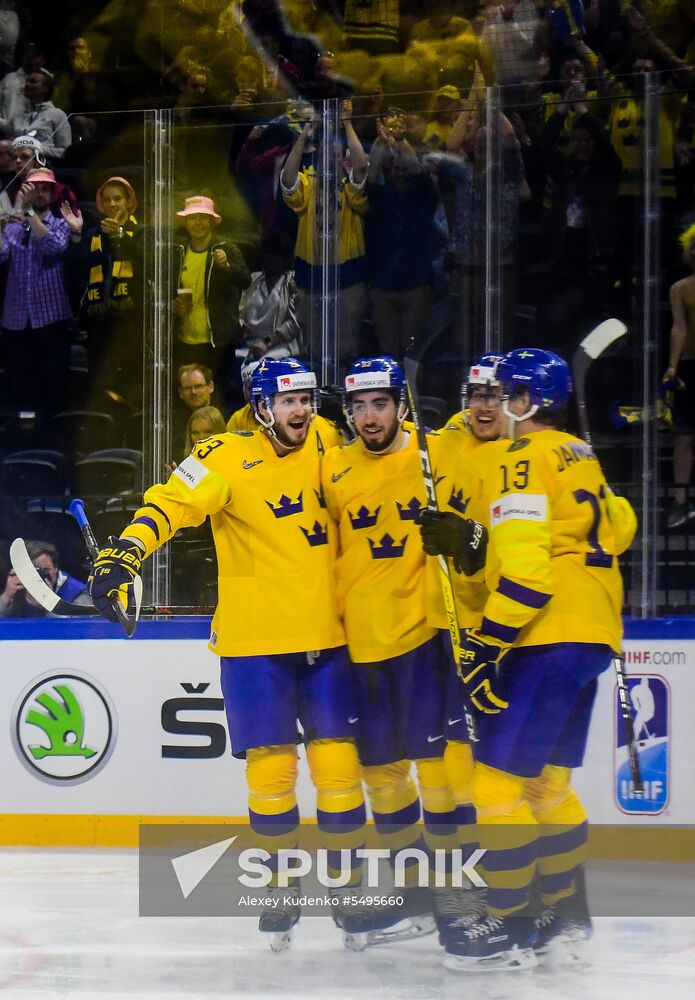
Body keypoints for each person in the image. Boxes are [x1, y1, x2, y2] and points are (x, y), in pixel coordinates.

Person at [87, 356, 366, 951]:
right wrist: (126, 553)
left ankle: (348, 889)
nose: (301, 410)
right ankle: (280, 888)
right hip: (254, 643)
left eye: (306, 399)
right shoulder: (220, 455)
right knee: (270, 773)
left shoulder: (330, 439)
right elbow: (169, 503)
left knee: (339, 769)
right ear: (262, 408)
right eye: (288, 401)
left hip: (329, 636)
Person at [435, 348, 637, 972]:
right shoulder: (578, 453)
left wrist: (486, 643)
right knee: (546, 785)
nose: (494, 405)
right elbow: (621, 528)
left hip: (546, 634)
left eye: (505, 394)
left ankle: (509, 921)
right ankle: (565, 911)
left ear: (525, 402)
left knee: (496, 785)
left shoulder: (518, 460)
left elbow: (527, 575)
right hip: (594, 630)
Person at [321, 355, 486, 945]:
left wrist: (471, 539)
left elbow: (488, 444)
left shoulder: (436, 453)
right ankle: (416, 895)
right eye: (359, 407)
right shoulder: (332, 467)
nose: (370, 417)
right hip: (358, 647)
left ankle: (460, 894)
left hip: (423, 640)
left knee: (442, 777)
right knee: (383, 778)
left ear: (400, 405)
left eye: (381, 404)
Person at [62, 175, 142, 406]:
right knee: (98, 381)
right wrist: (76, 235)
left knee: (130, 380)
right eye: (107, 200)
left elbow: (146, 264)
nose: (112, 204)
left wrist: (120, 237)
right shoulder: (93, 235)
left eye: (118, 198)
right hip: (99, 321)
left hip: (131, 320)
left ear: (129, 202)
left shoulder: (141, 232)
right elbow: (77, 272)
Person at [0, 166, 73, 416]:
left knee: (53, 390)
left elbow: (53, 247)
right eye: (35, 188)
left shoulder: (62, 224)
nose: (40, 193)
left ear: (53, 194)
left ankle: (52, 432)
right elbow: (1, 255)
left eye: (45, 189)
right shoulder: (13, 228)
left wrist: (29, 211)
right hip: (16, 320)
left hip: (50, 319)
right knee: (21, 390)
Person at [172, 194, 251, 400]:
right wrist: (173, 305)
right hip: (186, 339)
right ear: (185, 222)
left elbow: (245, 280)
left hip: (219, 341)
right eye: (192, 218)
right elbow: (167, 289)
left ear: (212, 221)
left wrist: (227, 266)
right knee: (191, 395)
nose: (198, 223)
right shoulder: (178, 251)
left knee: (222, 396)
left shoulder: (226, 248)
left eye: (203, 217)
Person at [663, 223, 695, 528]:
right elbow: (679, 328)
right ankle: (681, 501)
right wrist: (672, 365)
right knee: (683, 436)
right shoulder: (680, 288)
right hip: (690, 366)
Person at [238, 229, 302, 360]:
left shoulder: (293, 283)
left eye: (276, 254)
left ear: (285, 258)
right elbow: (239, 312)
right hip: (248, 345)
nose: (270, 258)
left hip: (279, 347)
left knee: (266, 364)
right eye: (268, 253)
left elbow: (294, 323)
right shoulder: (253, 280)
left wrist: (267, 342)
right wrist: (240, 326)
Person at [0, 539, 89, 617]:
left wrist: (48, 605)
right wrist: (5, 597)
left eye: (44, 570)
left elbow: (78, 627)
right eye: (32, 571)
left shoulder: (78, 593)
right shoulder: (17, 588)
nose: (37, 577)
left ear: (56, 568)